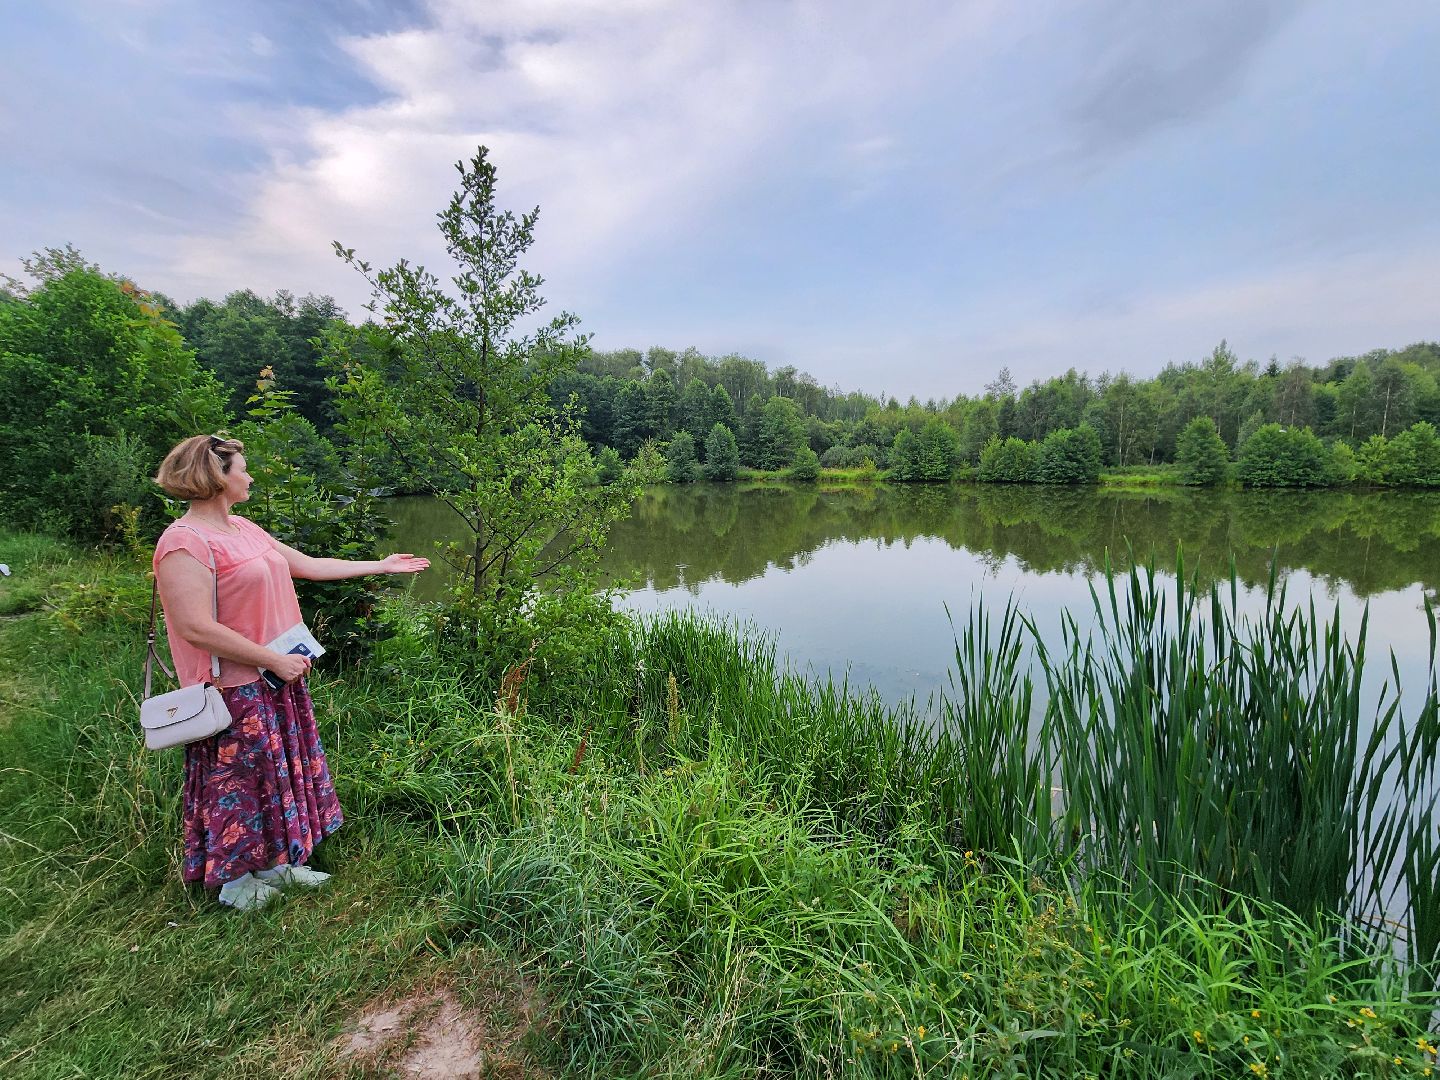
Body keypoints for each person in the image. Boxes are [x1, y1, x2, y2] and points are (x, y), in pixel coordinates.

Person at [152, 434, 429, 910]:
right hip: (232, 686)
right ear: (217, 476)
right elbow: (194, 626)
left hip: (274, 677)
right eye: (242, 467)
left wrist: (380, 566)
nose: (250, 475)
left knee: (273, 773)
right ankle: (236, 884)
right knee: (238, 780)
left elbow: (309, 565)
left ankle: (277, 863)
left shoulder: (244, 529)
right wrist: (270, 658)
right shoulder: (184, 542)